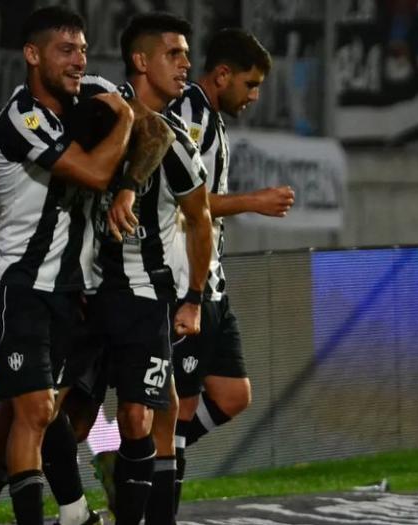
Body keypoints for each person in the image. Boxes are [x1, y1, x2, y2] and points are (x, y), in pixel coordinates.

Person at [0, 7, 134, 525]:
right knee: (39, 410)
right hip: (17, 283)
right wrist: (127, 120)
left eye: (83, 49)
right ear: (33, 55)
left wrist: (131, 178)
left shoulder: (93, 92)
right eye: (66, 50)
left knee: (31, 415)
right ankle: (72, 515)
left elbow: (151, 133)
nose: (79, 60)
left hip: (69, 289)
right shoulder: (23, 117)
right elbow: (92, 171)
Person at [89, 12, 213, 525]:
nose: (186, 63)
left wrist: (194, 299)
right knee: (55, 416)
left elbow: (200, 219)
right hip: (84, 290)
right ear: (141, 60)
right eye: (173, 53)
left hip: (144, 295)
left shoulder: (181, 138)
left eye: (187, 53)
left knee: (138, 415)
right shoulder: (99, 103)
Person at [167, 28, 289, 517]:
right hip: (183, 282)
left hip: (212, 280)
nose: (254, 95)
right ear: (222, 75)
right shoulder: (190, 114)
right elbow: (183, 204)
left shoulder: (211, 118)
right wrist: (253, 203)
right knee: (179, 412)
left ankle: (134, 464)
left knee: (233, 395)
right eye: (250, 83)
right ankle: (152, 495)